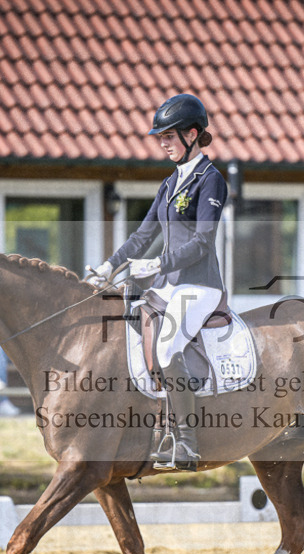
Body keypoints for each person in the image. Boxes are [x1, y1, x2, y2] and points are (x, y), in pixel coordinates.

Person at [87, 93, 226, 472]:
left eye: (168, 136)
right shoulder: (169, 184)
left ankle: (187, 443)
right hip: (168, 284)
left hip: (199, 285)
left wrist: (158, 263)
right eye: (160, 137)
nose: (162, 143)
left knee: (166, 350)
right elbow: (142, 236)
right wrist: (108, 267)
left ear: (192, 134)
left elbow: (203, 242)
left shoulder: (211, 181)